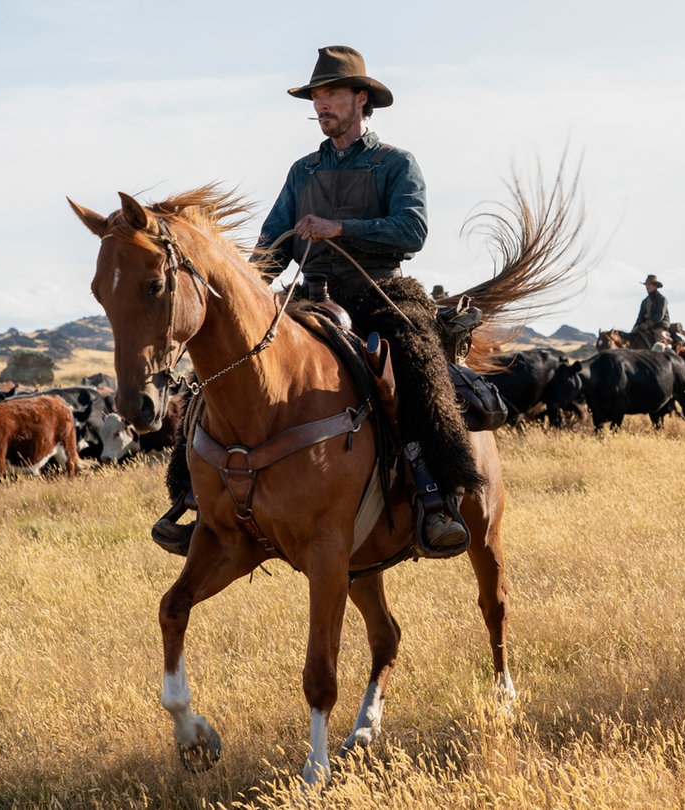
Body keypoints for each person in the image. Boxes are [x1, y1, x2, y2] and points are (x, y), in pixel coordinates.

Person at [153, 46, 476, 556]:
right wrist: (250, 293)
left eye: (331, 95)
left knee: (415, 364)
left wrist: (339, 228)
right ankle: (196, 501)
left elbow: (412, 230)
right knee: (222, 367)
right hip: (310, 297)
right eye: (316, 97)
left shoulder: (395, 163)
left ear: (360, 99)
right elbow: (269, 247)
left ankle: (437, 496)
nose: (321, 105)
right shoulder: (302, 172)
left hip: (380, 290)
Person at [633, 274, 671, 345]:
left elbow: (659, 316)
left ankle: (667, 353)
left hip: (659, 325)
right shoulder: (644, 301)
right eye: (646, 285)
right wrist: (636, 326)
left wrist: (647, 324)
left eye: (649, 284)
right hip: (645, 326)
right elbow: (640, 317)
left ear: (655, 286)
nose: (647, 287)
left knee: (661, 343)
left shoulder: (662, 299)